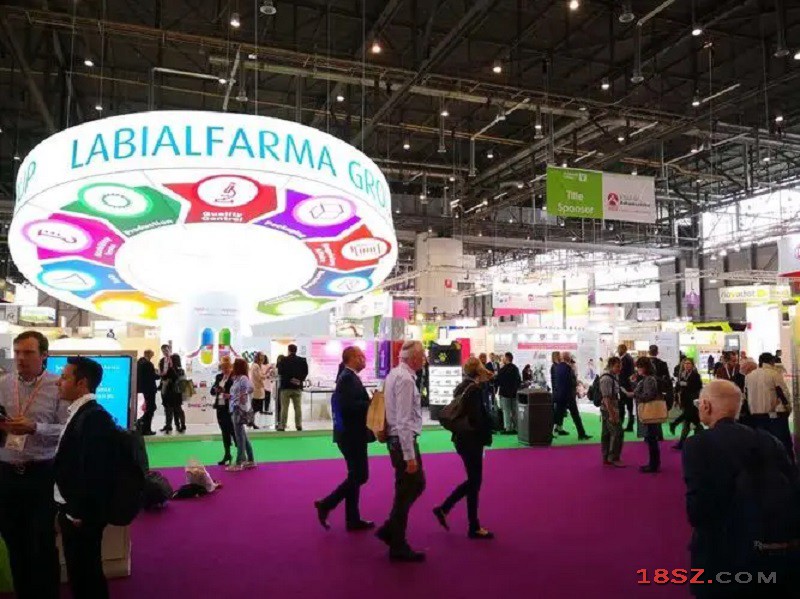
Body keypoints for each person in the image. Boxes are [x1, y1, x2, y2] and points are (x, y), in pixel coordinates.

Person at [682, 380, 800, 598]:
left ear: (706, 406)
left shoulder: (698, 444)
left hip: (722, 555)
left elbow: (698, 510)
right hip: (772, 553)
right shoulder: (768, 440)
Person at [0, 331, 67, 599]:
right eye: (17, 352)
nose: (21, 358)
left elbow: (66, 429)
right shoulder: (3, 384)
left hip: (41, 473)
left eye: (28, 353)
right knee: (13, 542)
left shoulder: (57, 386)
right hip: (6, 474)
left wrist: (35, 428)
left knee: (42, 543)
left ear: (44, 356)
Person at [54, 356, 116, 599]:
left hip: (81, 516)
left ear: (81, 383)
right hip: (73, 511)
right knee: (79, 573)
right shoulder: (81, 413)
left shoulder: (94, 417)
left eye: (64, 377)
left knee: (86, 575)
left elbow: (96, 472)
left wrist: (79, 513)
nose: (58, 382)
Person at [433, 357, 495, 539]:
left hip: (462, 439)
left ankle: (465, 520)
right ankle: (454, 513)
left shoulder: (463, 387)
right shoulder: (474, 390)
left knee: (473, 481)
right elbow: (476, 419)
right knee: (474, 482)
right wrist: (490, 422)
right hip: (472, 440)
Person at [376, 340, 427, 562]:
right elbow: (404, 420)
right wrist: (409, 456)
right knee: (409, 489)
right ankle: (396, 541)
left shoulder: (394, 375)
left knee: (408, 488)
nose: (424, 359)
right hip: (402, 441)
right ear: (413, 358)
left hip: (396, 441)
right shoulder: (405, 379)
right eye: (422, 355)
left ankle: (392, 531)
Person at [314, 346, 374, 531]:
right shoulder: (348, 378)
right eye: (361, 356)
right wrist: (371, 403)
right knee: (360, 476)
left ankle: (352, 518)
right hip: (351, 435)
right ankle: (327, 504)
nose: (364, 360)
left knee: (355, 475)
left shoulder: (348, 377)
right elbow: (349, 406)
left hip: (350, 434)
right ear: (353, 358)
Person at [745, 353, 793, 461]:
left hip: (756, 416)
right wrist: (788, 408)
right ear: (771, 361)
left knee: (762, 446)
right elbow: (783, 393)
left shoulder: (749, 376)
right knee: (783, 445)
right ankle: (788, 467)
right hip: (775, 415)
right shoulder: (774, 374)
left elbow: (746, 395)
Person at [634, 357, 662, 473]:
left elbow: (649, 395)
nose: (638, 369)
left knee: (651, 439)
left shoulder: (649, 379)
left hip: (650, 411)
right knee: (651, 439)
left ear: (644, 367)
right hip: (649, 411)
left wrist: (638, 396)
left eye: (639, 367)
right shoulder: (647, 379)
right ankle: (653, 463)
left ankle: (653, 465)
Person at [228, 358, 255, 471]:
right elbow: (236, 394)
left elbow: (251, 388)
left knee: (239, 437)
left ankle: (240, 462)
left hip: (239, 409)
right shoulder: (237, 379)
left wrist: (244, 394)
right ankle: (251, 460)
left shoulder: (243, 378)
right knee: (242, 435)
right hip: (235, 407)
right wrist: (230, 396)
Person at [670, 358, 703, 450]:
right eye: (685, 363)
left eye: (688, 363)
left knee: (689, 418)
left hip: (693, 400)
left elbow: (698, 386)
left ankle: (675, 424)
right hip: (684, 400)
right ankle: (695, 442)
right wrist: (676, 399)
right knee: (693, 422)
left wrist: (685, 384)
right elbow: (678, 387)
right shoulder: (682, 374)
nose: (687, 365)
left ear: (692, 365)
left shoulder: (696, 375)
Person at [210, 356, 235, 465]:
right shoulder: (218, 377)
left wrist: (225, 391)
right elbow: (212, 391)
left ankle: (241, 454)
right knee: (224, 432)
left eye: (226, 367)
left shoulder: (234, 378)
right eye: (223, 367)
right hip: (220, 407)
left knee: (233, 431)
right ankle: (227, 454)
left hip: (230, 407)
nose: (224, 369)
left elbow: (235, 392)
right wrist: (216, 389)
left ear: (230, 367)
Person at [276, 344, 308, 432]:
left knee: (284, 408)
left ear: (289, 350)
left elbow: (280, 372)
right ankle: (299, 425)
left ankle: (282, 426)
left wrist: (289, 379)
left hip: (285, 387)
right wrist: (299, 380)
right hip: (297, 387)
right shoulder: (302, 360)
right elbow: (305, 372)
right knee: (298, 407)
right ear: (296, 350)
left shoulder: (283, 360)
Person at [599, 356, 625, 467]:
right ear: (611, 365)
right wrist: (612, 414)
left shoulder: (612, 376)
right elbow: (606, 399)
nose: (620, 368)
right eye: (617, 366)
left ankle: (606, 457)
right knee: (618, 433)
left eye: (620, 366)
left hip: (610, 409)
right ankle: (614, 458)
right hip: (609, 409)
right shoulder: (606, 379)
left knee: (606, 433)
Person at [495, 352, 522, 435]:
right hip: (514, 393)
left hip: (505, 393)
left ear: (506, 359)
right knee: (514, 411)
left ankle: (508, 428)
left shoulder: (502, 369)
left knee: (506, 411)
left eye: (504, 357)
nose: (502, 359)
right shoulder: (515, 368)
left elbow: (498, 381)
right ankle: (516, 428)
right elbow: (519, 381)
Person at [136, 349, 158, 435]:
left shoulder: (139, 363)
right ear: (149, 355)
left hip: (141, 390)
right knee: (150, 409)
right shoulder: (148, 364)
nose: (152, 357)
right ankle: (146, 429)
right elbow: (152, 376)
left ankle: (141, 426)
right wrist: (160, 375)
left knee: (145, 409)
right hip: (149, 390)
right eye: (151, 355)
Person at [648, 345, 674, 410]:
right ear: (657, 352)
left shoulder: (644, 363)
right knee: (658, 408)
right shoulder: (663, 363)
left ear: (648, 352)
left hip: (648, 391)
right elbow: (667, 378)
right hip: (658, 390)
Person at [618, 344, 636, 432]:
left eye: (619, 349)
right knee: (629, 407)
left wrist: (621, 385)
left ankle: (621, 425)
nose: (618, 351)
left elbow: (623, 374)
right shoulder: (629, 358)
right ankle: (629, 425)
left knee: (622, 406)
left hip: (625, 386)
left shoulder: (625, 359)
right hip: (628, 386)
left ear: (622, 349)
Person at [248, 352, 265, 430]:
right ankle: (251, 421)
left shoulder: (255, 365)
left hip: (256, 389)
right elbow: (259, 377)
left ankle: (251, 421)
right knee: (255, 407)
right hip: (256, 389)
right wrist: (266, 376)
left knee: (254, 407)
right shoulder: (256, 366)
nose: (263, 358)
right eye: (261, 356)